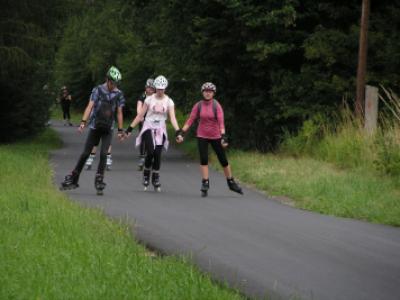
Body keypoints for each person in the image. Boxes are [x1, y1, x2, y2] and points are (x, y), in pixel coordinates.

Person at [60, 66, 125, 195]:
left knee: (103, 154)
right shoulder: (98, 90)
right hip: (95, 126)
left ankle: (99, 179)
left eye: (116, 84)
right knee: (85, 153)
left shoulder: (119, 94)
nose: (113, 86)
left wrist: (120, 130)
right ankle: (74, 177)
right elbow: (90, 106)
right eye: (112, 83)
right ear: (107, 79)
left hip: (108, 128)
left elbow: (119, 112)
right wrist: (83, 122)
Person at [176, 82, 243, 197]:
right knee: (203, 159)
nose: (207, 93)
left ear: (213, 93)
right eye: (206, 91)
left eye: (210, 92)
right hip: (202, 135)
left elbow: (221, 123)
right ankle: (205, 182)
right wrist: (182, 133)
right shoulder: (198, 105)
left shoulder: (216, 106)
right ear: (202, 92)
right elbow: (190, 120)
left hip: (216, 136)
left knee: (223, 160)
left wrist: (223, 137)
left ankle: (231, 182)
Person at [125, 75, 181, 191]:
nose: (160, 91)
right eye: (158, 88)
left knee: (157, 154)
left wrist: (178, 131)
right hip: (148, 126)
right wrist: (129, 129)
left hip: (161, 128)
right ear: (155, 88)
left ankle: (155, 177)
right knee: (150, 151)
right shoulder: (149, 99)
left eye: (162, 89)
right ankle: (146, 174)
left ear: (165, 88)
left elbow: (173, 118)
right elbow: (140, 115)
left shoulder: (169, 101)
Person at [136, 78, 156, 170]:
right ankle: (142, 157)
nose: (151, 90)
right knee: (143, 139)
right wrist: (141, 116)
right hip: (143, 120)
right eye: (149, 88)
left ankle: (150, 156)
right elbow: (139, 107)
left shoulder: (156, 96)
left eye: (152, 89)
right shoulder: (142, 96)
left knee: (153, 139)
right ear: (146, 87)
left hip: (153, 120)